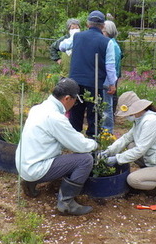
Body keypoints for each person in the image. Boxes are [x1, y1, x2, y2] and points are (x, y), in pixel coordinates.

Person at [16, 78, 98, 216]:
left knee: (64, 156)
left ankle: (30, 183)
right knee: (85, 159)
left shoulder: (38, 108)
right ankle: (67, 203)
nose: (74, 104)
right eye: (75, 100)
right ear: (67, 98)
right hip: (36, 167)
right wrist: (95, 144)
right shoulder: (55, 117)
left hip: (23, 164)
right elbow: (81, 146)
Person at [100, 91, 156, 201]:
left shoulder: (150, 121)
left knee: (133, 180)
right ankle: (148, 174)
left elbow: (140, 150)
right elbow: (126, 138)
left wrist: (116, 159)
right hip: (155, 160)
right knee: (130, 145)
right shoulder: (140, 120)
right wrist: (109, 151)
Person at [59, 10, 117, 139]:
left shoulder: (77, 37)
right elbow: (110, 66)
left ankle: (74, 142)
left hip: (75, 83)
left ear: (87, 24)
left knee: (76, 113)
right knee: (94, 115)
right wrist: (112, 83)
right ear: (103, 26)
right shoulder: (107, 42)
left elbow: (62, 47)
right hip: (94, 84)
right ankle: (92, 142)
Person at [101, 20, 123, 134]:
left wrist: (111, 82)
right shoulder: (112, 43)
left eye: (103, 30)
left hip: (108, 80)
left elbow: (112, 66)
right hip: (109, 79)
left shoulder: (112, 45)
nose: (101, 32)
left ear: (108, 31)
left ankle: (107, 131)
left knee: (106, 106)